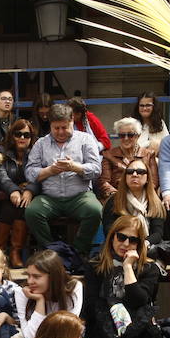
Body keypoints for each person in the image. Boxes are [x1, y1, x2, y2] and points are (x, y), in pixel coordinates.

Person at [24, 104, 103, 256]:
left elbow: (96, 169)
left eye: (64, 127)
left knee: (95, 211)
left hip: (80, 196)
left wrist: (75, 167)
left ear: (72, 121)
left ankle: (78, 251)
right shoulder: (41, 143)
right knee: (32, 212)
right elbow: (29, 172)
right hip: (50, 197)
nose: (60, 132)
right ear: (50, 125)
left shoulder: (85, 140)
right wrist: (49, 171)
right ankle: (51, 251)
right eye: (56, 128)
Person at [15, 249, 82, 338]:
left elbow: (68, 331)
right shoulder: (22, 292)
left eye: (36, 276)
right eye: (28, 276)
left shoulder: (73, 288)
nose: (30, 281)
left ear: (54, 277)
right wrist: (39, 301)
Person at [0, 118, 38, 268]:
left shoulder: (36, 152)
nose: (22, 138)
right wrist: (14, 190)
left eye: (26, 135)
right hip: (5, 196)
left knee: (22, 205)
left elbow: (38, 176)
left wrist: (29, 191)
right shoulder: (1, 151)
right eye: (18, 134)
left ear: (31, 138)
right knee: (10, 205)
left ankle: (14, 252)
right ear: (12, 135)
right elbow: (1, 174)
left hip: (26, 198)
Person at [101, 158, 165, 247]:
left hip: (147, 247)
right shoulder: (114, 200)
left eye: (140, 171)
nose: (134, 174)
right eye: (130, 171)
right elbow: (109, 230)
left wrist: (142, 245)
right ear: (125, 177)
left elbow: (158, 233)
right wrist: (127, 244)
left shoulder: (155, 202)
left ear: (147, 178)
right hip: (119, 247)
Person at [99, 117, 159, 201]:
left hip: (143, 198)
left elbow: (153, 182)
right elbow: (104, 183)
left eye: (130, 135)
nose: (126, 138)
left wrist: (139, 196)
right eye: (122, 135)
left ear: (138, 135)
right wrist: (117, 196)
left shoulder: (149, 155)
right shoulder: (108, 155)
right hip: (117, 198)